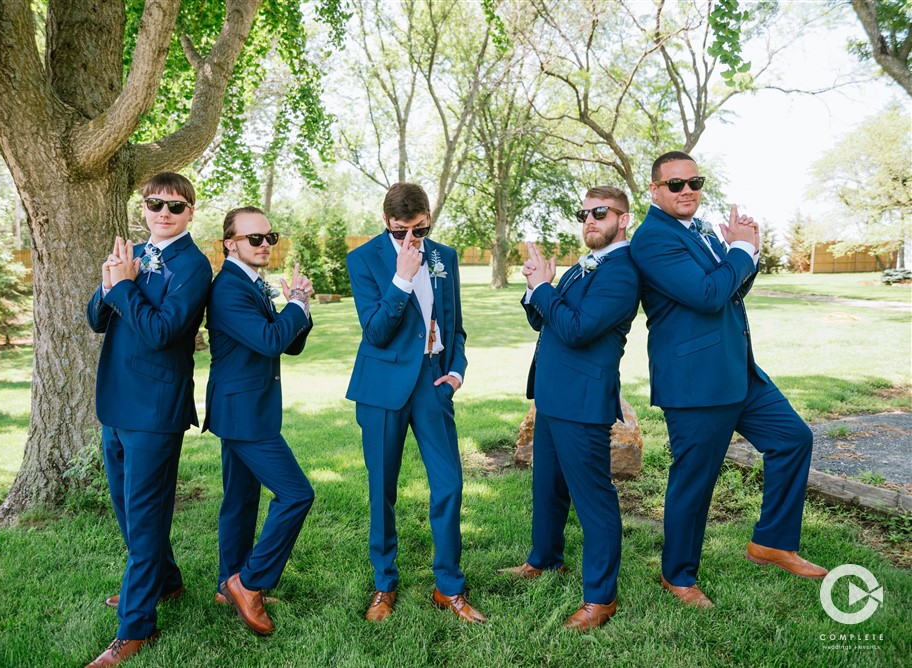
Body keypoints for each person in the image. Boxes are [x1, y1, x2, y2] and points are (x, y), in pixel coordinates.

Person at [630, 151, 827, 609]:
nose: (687, 191)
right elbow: (706, 294)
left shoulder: (694, 231)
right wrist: (739, 251)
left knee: (793, 438)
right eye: (675, 184)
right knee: (695, 482)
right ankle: (677, 575)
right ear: (655, 191)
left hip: (739, 371)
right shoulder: (652, 239)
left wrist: (748, 252)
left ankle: (772, 543)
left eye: (694, 182)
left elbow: (731, 290)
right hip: (696, 382)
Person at [498, 186, 640, 632]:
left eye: (601, 212)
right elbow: (546, 318)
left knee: (594, 500)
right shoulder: (583, 268)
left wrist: (544, 288)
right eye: (585, 214)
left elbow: (576, 330)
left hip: (582, 402)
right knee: (548, 488)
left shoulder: (622, 271)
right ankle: (544, 560)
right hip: (553, 396)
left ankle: (601, 599)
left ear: (624, 219)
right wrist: (533, 287)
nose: (590, 220)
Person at [85, 172, 212, 667]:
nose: (164, 212)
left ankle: (136, 627)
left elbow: (161, 332)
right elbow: (98, 320)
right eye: (156, 203)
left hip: (156, 410)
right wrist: (107, 282)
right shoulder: (131, 254)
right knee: (125, 508)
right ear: (144, 207)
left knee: (143, 516)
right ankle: (167, 583)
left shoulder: (195, 266)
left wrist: (125, 288)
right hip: (115, 401)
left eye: (175, 206)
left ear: (189, 214)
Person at [345, 182, 485, 624]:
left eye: (421, 229)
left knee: (449, 484)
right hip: (382, 388)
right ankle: (384, 585)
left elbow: (456, 325)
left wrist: (456, 372)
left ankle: (449, 588)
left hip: (432, 381)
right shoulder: (363, 259)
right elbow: (377, 331)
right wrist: (402, 277)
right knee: (382, 489)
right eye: (403, 230)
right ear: (388, 222)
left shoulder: (445, 256)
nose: (413, 239)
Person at [204, 206, 315, 636]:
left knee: (240, 500)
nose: (265, 244)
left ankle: (225, 583)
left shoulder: (252, 284)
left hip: (244, 409)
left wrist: (298, 313)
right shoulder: (229, 288)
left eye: (270, 236)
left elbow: (288, 346)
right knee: (296, 494)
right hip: (244, 415)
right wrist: (298, 305)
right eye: (255, 239)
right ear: (230, 243)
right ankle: (249, 583)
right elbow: (271, 339)